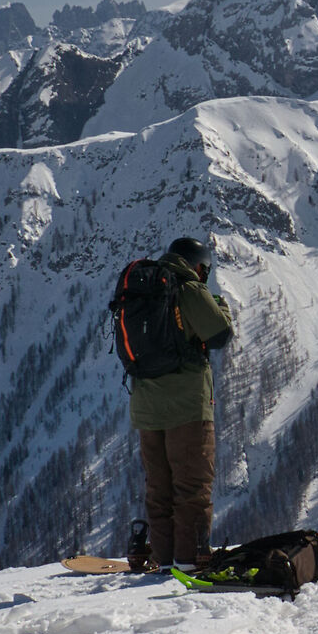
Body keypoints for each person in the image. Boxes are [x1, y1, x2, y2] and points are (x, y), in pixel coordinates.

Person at [123, 237, 234, 569]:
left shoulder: (144, 289)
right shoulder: (188, 289)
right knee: (191, 486)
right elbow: (220, 333)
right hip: (186, 406)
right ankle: (189, 560)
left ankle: (164, 558)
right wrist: (221, 306)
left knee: (159, 488)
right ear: (197, 265)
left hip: (146, 407)